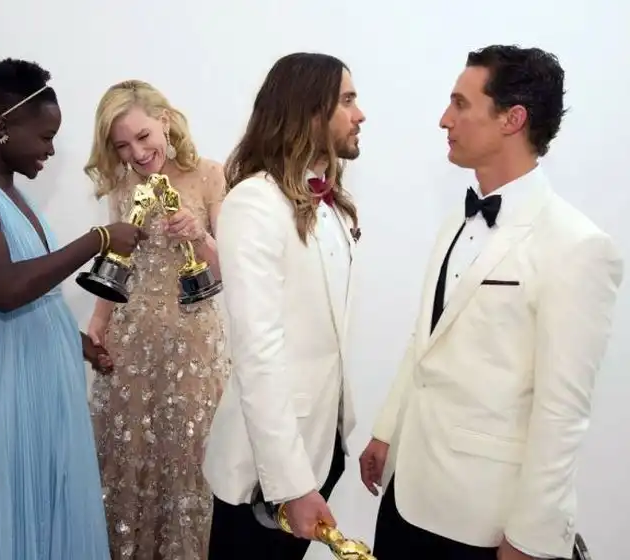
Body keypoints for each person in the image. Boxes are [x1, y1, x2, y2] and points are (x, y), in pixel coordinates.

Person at [359, 45, 624, 560]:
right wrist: (387, 430)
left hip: (481, 520)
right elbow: (425, 339)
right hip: (405, 494)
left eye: (460, 104)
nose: (444, 119)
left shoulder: (577, 246)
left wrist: (531, 538)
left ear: (512, 119)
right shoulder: (454, 224)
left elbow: (563, 411)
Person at [0, 58, 145, 559]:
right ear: (4, 123)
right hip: (11, 379)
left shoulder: (14, 193)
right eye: (46, 137)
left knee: (50, 514)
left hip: (49, 372)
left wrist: (78, 343)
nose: (50, 150)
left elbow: (35, 290)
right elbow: (5, 289)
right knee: (14, 518)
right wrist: (98, 239)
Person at [202, 52, 366, 560]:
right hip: (265, 473)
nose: (359, 114)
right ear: (309, 112)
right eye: (347, 100)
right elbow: (258, 352)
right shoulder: (254, 203)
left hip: (322, 447)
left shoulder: (333, 206)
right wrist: (291, 484)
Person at [83, 79, 231, 560]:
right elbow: (118, 263)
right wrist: (98, 320)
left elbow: (231, 271)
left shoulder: (209, 175)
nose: (137, 153)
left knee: (189, 459)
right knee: (126, 460)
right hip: (130, 345)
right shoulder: (123, 186)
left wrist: (200, 235)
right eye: (122, 145)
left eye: (143, 136)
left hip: (192, 346)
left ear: (165, 121)